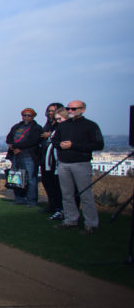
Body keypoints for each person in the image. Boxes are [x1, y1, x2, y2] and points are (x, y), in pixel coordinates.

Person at [52, 101, 104, 235]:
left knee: (85, 194)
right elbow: (54, 140)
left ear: (83, 109)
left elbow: (98, 144)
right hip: (64, 163)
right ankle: (70, 220)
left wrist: (73, 145)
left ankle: (91, 224)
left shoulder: (90, 126)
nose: (70, 111)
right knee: (67, 194)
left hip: (81, 163)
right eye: (68, 108)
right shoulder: (63, 126)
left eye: (73, 108)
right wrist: (60, 145)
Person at [5, 108, 41, 206]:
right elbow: (9, 138)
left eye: (28, 115)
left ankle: (31, 200)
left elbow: (33, 141)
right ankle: (19, 199)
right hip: (16, 155)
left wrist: (17, 146)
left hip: (28, 155)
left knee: (31, 179)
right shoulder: (17, 126)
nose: (26, 117)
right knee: (16, 177)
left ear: (33, 116)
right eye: (24, 115)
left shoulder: (36, 128)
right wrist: (12, 147)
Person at [39, 103, 65, 220]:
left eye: (53, 111)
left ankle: (60, 208)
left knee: (57, 185)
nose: (50, 113)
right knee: (47, 183)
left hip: (56, 161)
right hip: (45, 159)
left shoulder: (61, 125)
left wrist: (50, 135)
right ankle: (52, 205)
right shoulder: (48, 124)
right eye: (49, 111)